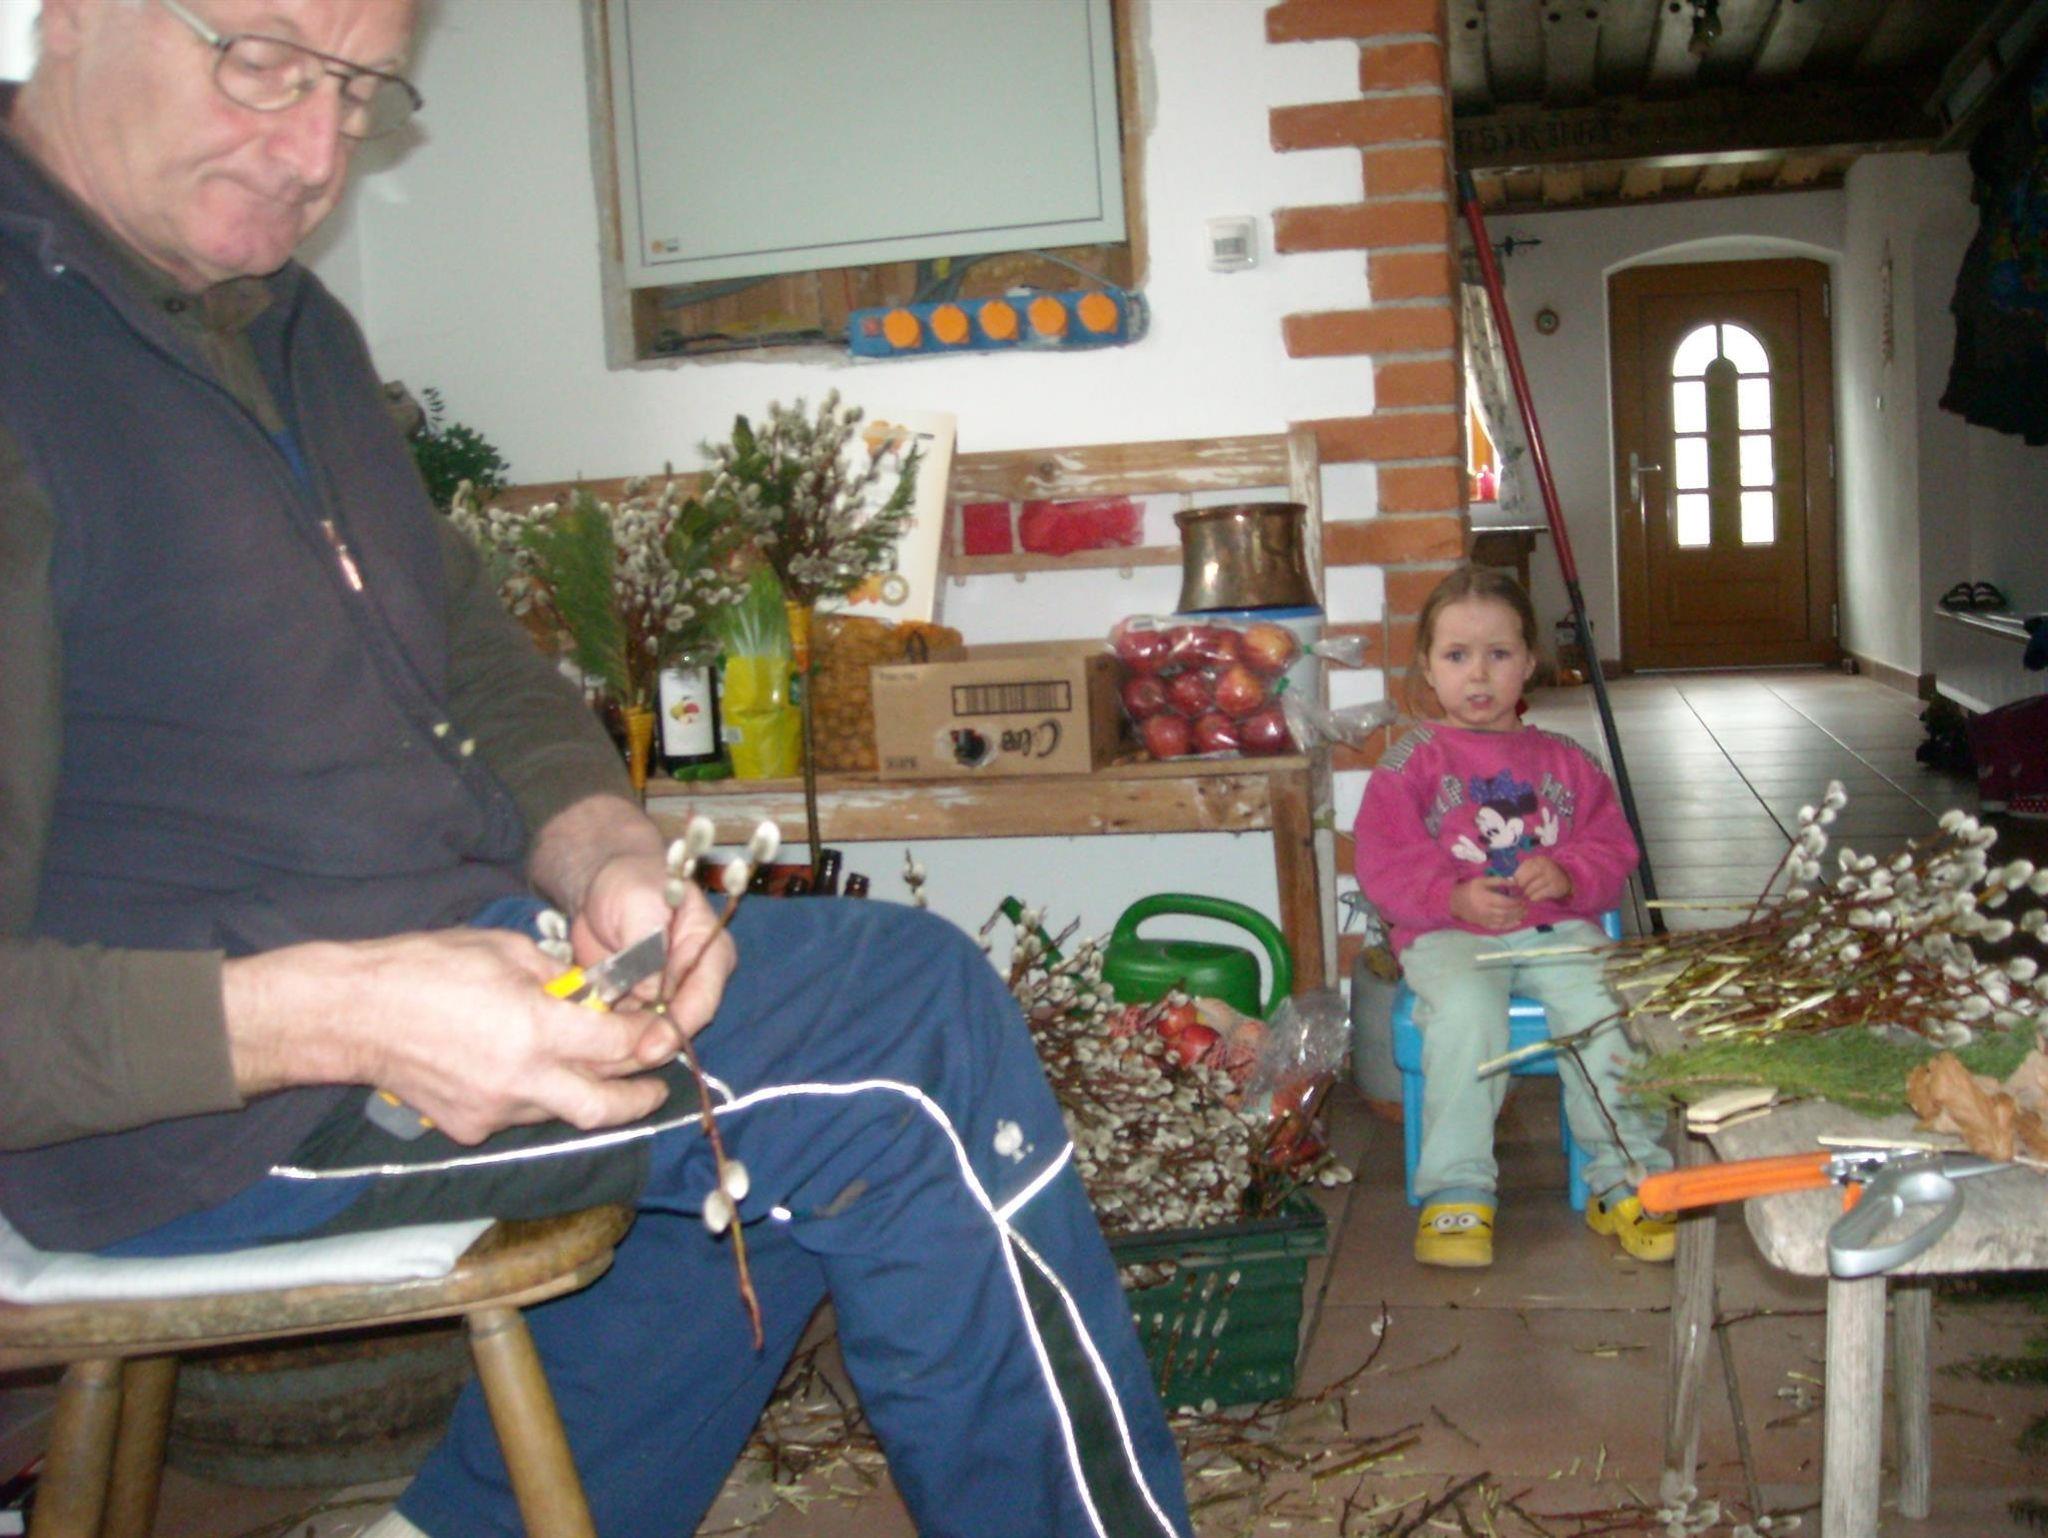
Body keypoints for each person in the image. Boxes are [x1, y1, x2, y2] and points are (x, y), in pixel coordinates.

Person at [0, 3, 1193, 1534]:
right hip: (196, 1109)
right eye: (265, 63)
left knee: (774, 1110)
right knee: (905, 1034)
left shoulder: (289, 325)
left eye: (357, 92)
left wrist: (604, 850)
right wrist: (341, 1011)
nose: (311, 151)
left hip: (452, 963)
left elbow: (470, 649)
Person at [1352, 567, 1673, 1270]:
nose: (1478, 673)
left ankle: (1628, 1175)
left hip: (1557, 930)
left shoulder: (1568, 761)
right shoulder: (1408, 765)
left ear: (1528, 662)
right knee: (1466, 1016)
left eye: (1498, 653)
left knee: (1605, 1009)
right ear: (1427, 668)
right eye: (1456, 655)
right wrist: (1451, 896)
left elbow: (1612, 845)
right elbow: (1383, 861)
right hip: (1449, 938)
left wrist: (1568, 872)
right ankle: (1457, 1186)